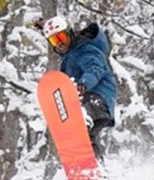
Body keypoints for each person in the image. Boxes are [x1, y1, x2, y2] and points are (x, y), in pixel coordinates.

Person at [39, 14, 117, 163]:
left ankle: (93, 162)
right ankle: (93, 165)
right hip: (88, 98)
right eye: (55, 41)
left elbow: (95, 68)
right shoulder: (71, 54)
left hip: (98, 97)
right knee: (86, 135)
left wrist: (84, 84)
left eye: (61, 37)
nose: (60, 44)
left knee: (84, 125)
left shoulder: (85, 50)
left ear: (69, 33)